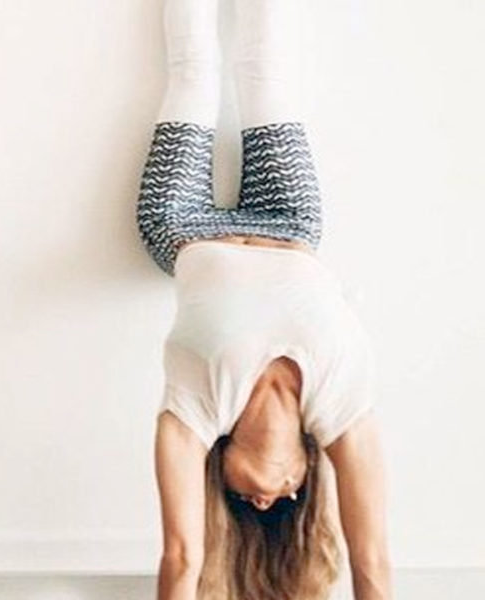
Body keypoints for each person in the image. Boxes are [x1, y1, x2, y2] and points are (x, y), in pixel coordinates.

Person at [137, 0, 391, 598]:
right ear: (307, 475)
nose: (264, 501)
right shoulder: (343, 406)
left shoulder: (196, 411)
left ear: (218, 473)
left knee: (194, 70)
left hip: (180, 227)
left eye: (239, 502)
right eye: (285, 504)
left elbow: (181, 557)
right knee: (264, 70)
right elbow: (372, 560)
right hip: (291, 224)